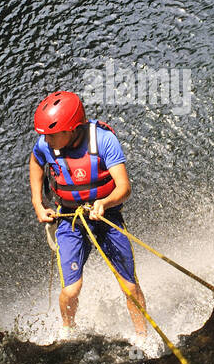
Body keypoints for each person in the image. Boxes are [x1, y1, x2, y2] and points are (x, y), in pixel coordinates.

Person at [28, 90, 150, 339]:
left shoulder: (104, 141)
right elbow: (36, 160)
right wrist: (37, 203)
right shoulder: (47, 143)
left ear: (72, 129)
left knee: (129, 286)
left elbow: (124, 187)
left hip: (106, 217)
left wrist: (105, 203)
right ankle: (68, 331)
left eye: (52, 135)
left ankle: (143, 336)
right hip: (70, 219)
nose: (47, 140)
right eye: (45, 136)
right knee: (71, 290)